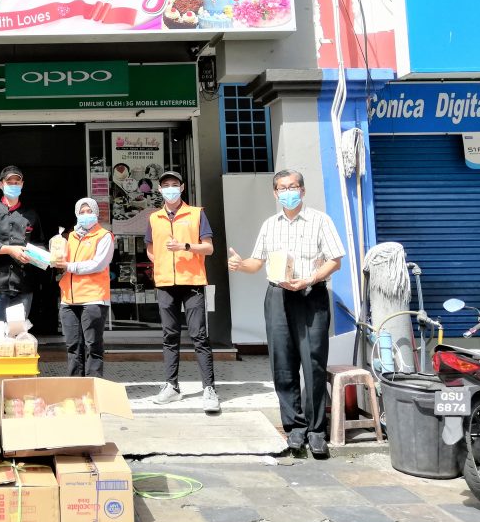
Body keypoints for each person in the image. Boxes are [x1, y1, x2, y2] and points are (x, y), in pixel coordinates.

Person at [228, 169, 345, 457]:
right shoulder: (270, 225)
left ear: (302, 190)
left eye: (293, 187)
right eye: (282, 188)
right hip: (278, 296)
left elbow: (335, 260)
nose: (288, 192)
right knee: (282, 362)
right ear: (275, 193)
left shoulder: (320, 220)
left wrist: (309, 279)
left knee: (313, 362)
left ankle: (316, 430)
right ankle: (294, 426)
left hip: (311, 295)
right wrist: (240, 265)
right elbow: (257, 262)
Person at [145, 171, 220, 413]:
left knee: (199, 335)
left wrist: (185, 246)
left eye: (174, 184)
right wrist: (161, 263)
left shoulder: (196, 213)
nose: (170, 188)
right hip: (165, 282)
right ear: (159, 189)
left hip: (192, 281)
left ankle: (209, 388)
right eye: (165, 185)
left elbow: (209, 248)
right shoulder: (154, 217)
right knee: (169, 335)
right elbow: (150, 248)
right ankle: (171, 386)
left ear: (182, 187)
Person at [55, 198, 114, 377]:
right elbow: (61, 263)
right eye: (82, 212)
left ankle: (93, 385)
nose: (86, 215)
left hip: (93, 298)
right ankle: (76, 386)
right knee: (73, 347)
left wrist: (69, 266)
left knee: (93, 346)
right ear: (76, 214)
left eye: (90, 211)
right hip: (69, 300)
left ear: (96, 213)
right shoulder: (69, 237)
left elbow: (98, 264)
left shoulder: (104, 236)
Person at [0, 165, 43, 321]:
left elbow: (39, 244)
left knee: (17, 333)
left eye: (16, 182)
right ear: (1, 185)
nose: (13, 185)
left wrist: (37, 256)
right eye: (9, 182)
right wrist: (10, 250)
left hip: (23, 286)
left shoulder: (30, 214)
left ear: (22, 185)